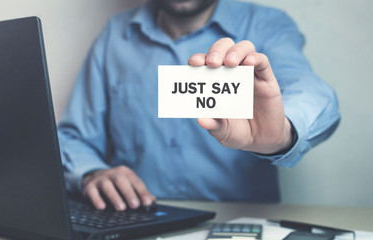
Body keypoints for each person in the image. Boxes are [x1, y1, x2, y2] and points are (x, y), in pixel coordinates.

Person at [58, 0, 341, 211]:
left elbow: (312, 92)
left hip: (240, 222)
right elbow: (72, 136)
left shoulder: (266, 25)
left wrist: (282, 132)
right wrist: (91, 171)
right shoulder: (114, 35)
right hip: (138, 218)